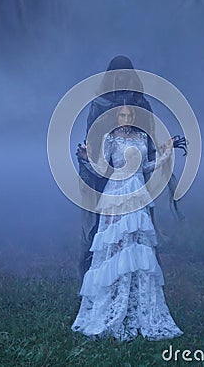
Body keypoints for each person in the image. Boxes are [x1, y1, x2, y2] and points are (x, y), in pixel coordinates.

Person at [71, 104, 183, 340]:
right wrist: (87, 158)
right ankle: (112, 304)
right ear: (116, 117)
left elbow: (145, 168)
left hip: (138, 194)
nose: (126, 118)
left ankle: (134, 301)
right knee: (115, 246)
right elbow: (103, 170)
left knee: (136, 245)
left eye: (130, 114)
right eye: (122, 114)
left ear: (135, 116)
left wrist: (166, 154)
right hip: (116, 194)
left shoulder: (142, 136)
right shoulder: (110, 138)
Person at [77, 55, 185, 281]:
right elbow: (93, 135)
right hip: (108, 168)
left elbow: (149, 135)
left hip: (136, 169)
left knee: (138, 223)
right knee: (104, 223)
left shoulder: (141, 103)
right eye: (117, 75)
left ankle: (136, 273)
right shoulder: (100, 103)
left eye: (125, 74)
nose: (121, 79)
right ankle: (101, 274)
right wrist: (92, 158)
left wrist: (162, 150)